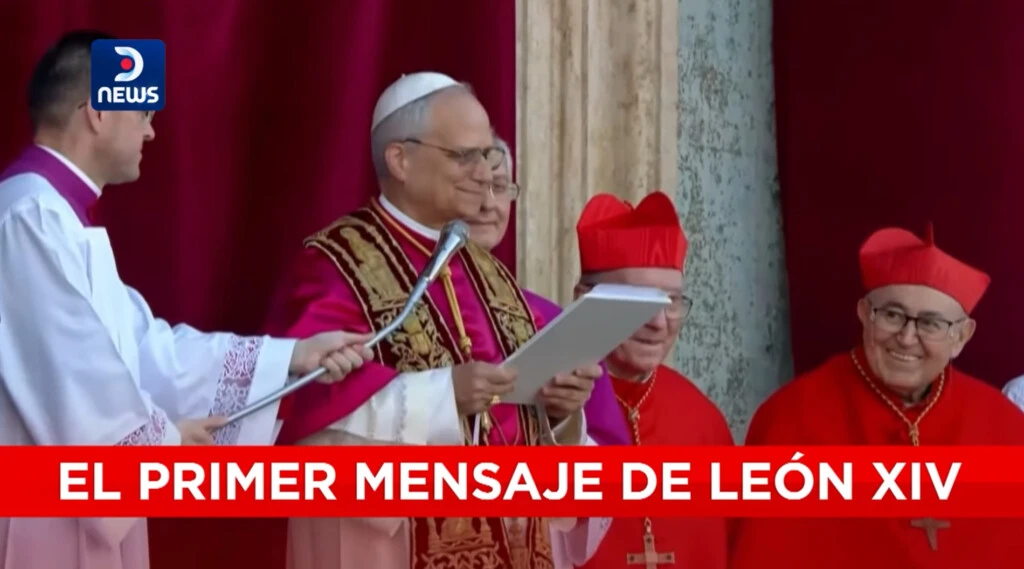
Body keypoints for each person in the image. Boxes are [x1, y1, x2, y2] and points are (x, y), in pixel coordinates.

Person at [0, 30, 372, 569]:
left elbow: (142, 349)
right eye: (143, 113)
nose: (151, 131)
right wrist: (163, 444)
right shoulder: (28, 215)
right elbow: (75, 372)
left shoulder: (54, 214)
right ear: (98, 113)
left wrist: (294, 355)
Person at [263, 71, 610, 569]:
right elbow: (302, 414)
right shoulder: (334, 267)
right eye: (464, 156)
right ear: (400, 160)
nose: (485, 173)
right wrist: (445, 397)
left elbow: (517, 430)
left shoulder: (491, 274)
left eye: (487, 156)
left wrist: (558, 414)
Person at [730, 224, 1024, 569]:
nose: (907, 338)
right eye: (892, 315)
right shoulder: (791, 416)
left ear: (962, 336)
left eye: (930, 324)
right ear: (864, 313)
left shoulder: (1004, 426)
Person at [568, 191, 733, 569]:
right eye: (636, 301)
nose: (658, 323)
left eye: (671, 301)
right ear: (583, 299)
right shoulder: (547, 408)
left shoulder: (703, 420)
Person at [467, 135, 630, 447]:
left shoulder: (551, 321)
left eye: (499, 186)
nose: (487, 204)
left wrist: (562, 418)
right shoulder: (395, 304)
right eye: (474, 186)